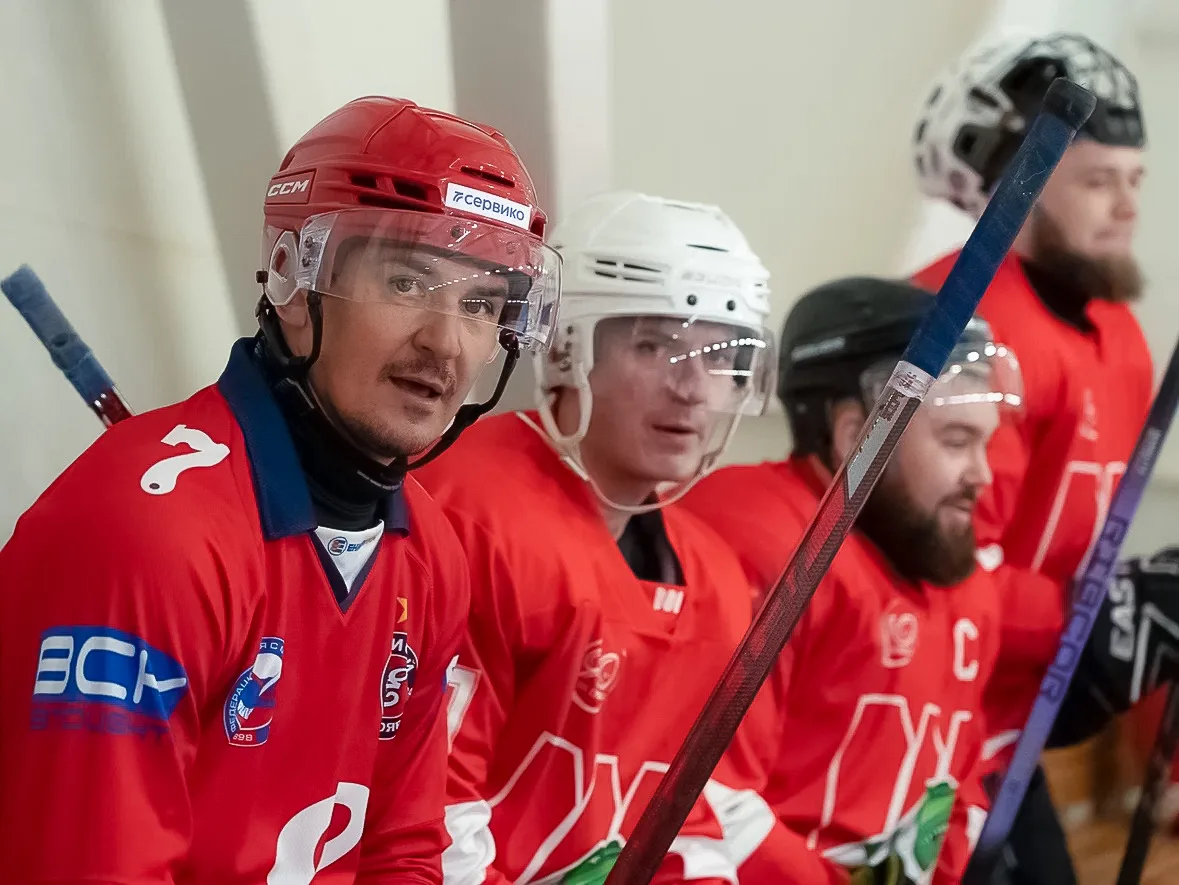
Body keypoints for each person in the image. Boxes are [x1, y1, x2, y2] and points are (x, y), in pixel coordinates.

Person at [0, 96, 561, 884]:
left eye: (480, 304)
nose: (445, 342)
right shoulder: (151, 538)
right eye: (407, 281)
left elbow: (400, 849)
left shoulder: (428, 550)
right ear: (297, 281)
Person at [416, 191, 798, 884]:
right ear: (567, 349)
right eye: (655, 346)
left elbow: (684, 816)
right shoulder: (470, 513)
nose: (693, 388)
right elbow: (428, 807)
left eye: (721, 355)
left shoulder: (711, 573)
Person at [909, 32, 1160, 883]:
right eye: (1096, 181)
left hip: (1009, 713)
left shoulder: (1117, 336)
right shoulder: (960, 321)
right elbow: (940, 568)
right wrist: (1101, 615)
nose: (1126, 207)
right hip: (926, 713)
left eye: (1135, 180)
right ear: (1018, 189)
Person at [684, 276, 1030, 885]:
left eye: (986, 443)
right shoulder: (759, 545)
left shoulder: (951, 567)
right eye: (956, 441)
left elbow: (958, 783)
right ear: (857, 434)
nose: (982, 474)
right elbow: (710, 796)